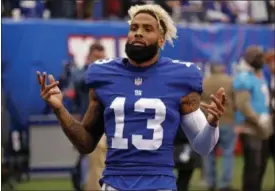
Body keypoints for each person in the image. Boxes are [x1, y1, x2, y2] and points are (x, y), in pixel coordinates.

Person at [36, 4, 226, 191]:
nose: (138, 32)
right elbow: (85, 143)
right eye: (134, 28)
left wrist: (212, 125)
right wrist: (59, 109)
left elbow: (203, 147)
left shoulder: (181, 76)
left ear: (161, 40)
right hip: (116, 183)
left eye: (147, 28)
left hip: (159, 184)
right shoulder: (104, 74)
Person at [233, 45, 273, 191]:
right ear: (251, 59)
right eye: (259, 57)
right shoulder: (244, 77)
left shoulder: (260, 75)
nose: (262, 60)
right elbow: (243, 104)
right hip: (250, 128)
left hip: (263, 128)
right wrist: (257, 118)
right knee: (253, 167)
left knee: (262, 165)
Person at [202, 63, 237, 191]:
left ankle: (210, 182)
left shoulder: (204, 82)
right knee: (227, 152)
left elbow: (199, 102)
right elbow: (235, 101)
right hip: (227, 120)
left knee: (209, 154)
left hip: (209, 121)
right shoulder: (230, 81)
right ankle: (224, 184)